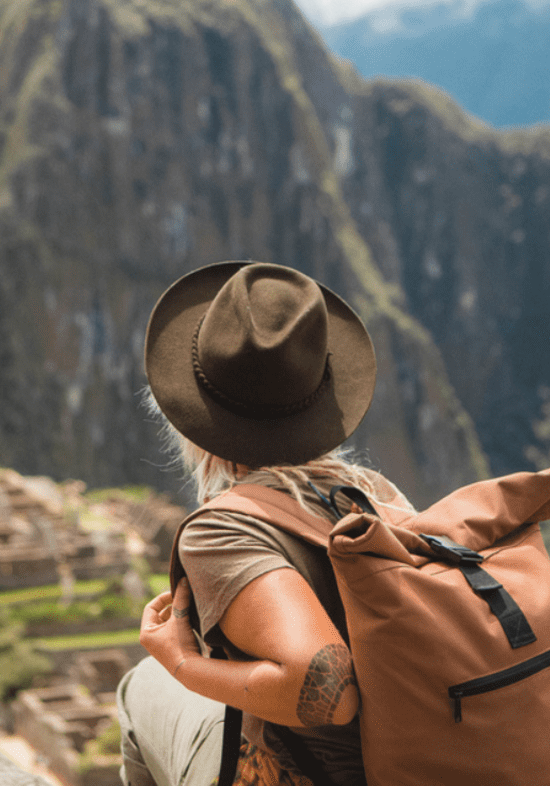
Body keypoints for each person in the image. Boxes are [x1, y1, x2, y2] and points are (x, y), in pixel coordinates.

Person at [119, 261, 413, 786]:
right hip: (418, 762)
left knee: (141, 685)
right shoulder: (377, 495)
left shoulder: (225, 529)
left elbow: (327, 686)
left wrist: (183, 663)